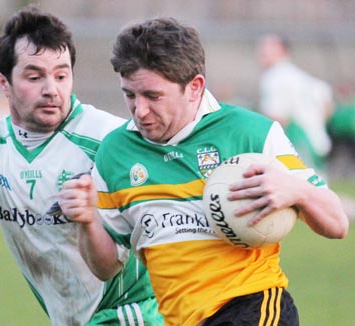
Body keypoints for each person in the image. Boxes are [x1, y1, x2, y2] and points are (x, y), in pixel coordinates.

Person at [58, 18, 349, 326]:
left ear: (194, 87)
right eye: (130, 95)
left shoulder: (250, 133)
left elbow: (336, 224)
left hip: (254, 306)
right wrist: (88, 221)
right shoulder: (115, 153)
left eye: (153, 96)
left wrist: (296, 190)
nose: (140, 110)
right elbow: (106, 268)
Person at [0, 7, 163, 326]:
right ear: (4, 83)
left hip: (131, 313)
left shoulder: (107, 138)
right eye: (35, 77)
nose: (51, 89)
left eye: (61, 75)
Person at [257, 33, 335, 176]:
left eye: (269, 47)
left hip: (297, 143)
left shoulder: (274, 77)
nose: (262, 52)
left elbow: (276, 117)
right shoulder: (301, 76)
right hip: (317, 141)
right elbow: (327, 105)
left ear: (282, 50)